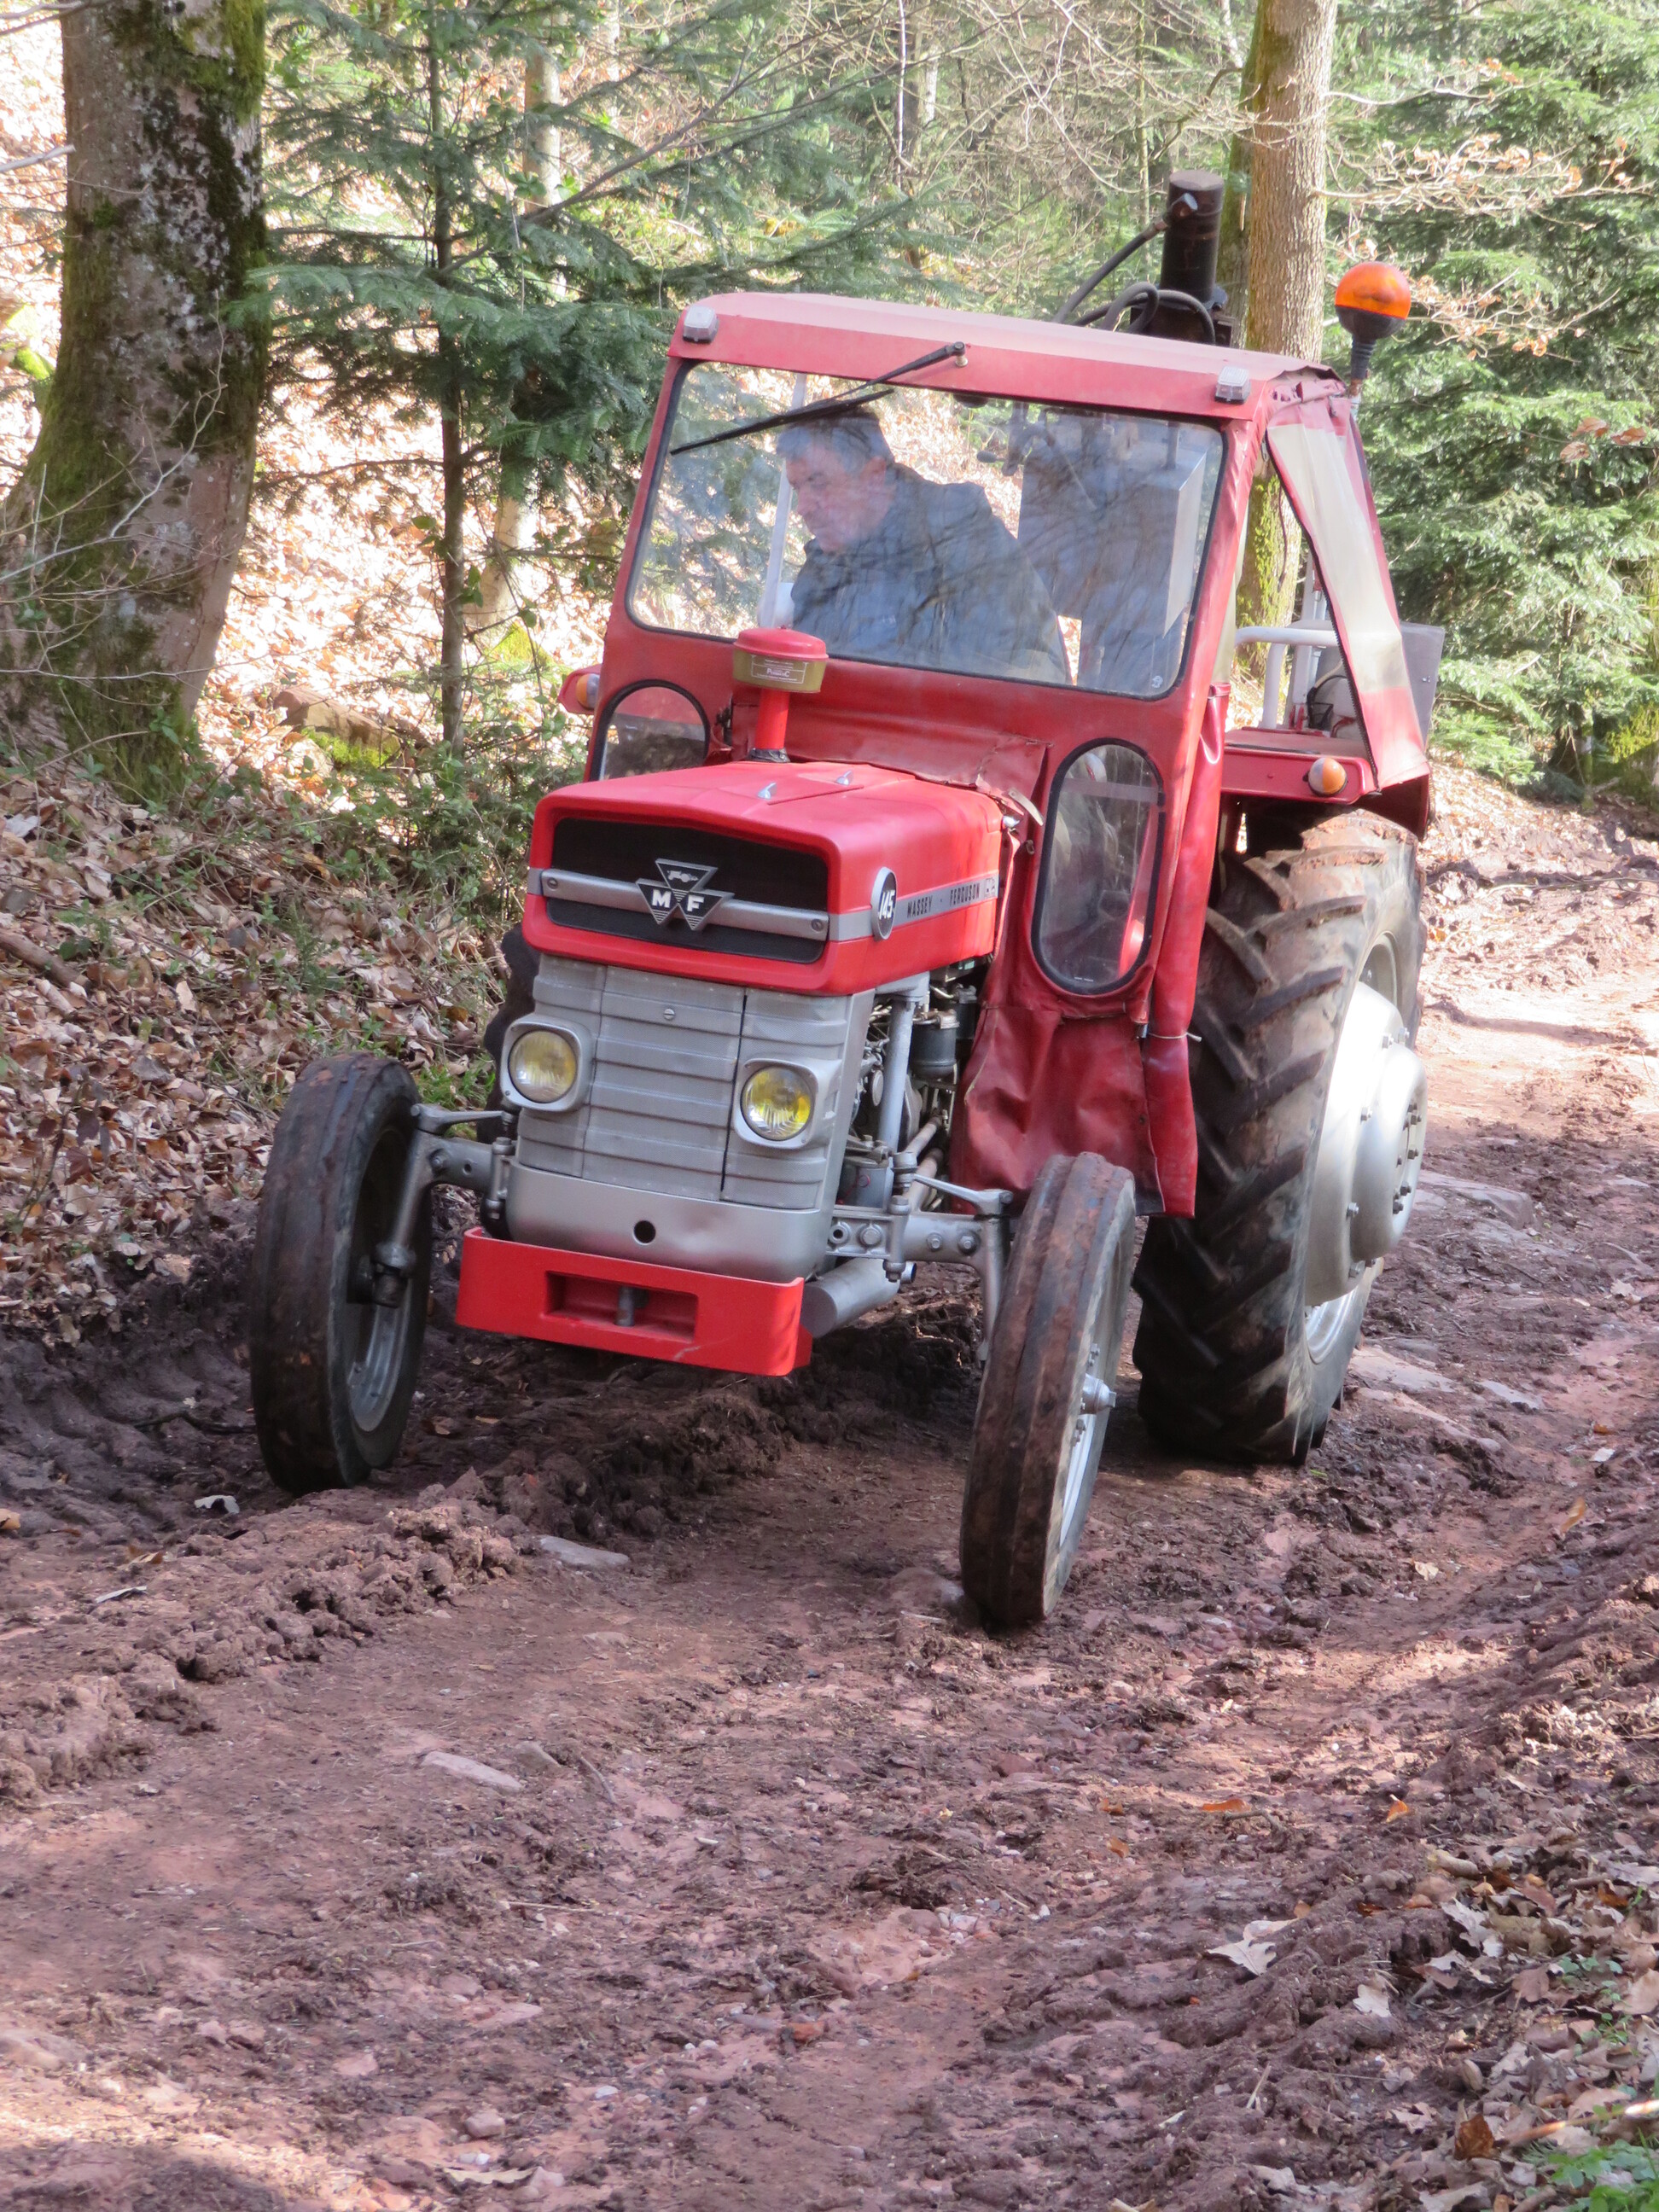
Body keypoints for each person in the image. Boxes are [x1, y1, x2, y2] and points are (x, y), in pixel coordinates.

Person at [777, 410, 1068, 684]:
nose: (802, 508)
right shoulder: (825, 564)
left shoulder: (968, 548)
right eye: (797, 488)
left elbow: (1034, 681)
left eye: (819, 483)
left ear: (874, 477)